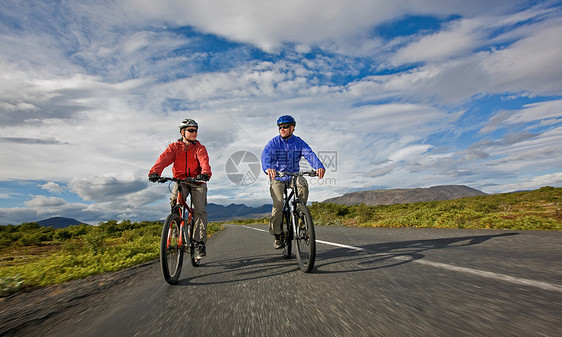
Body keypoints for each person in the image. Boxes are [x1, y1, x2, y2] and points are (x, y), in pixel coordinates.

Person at [148, 118, 212, 258]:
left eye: (196, 130)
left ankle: (199, 243)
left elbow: (204, 161)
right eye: (191, 130)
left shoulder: (200, 148)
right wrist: (155, 172)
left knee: (200, 210)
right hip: (181, 180)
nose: (194, 133)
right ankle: (176, 234)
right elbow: (163, 159)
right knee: (175, 204)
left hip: (197, 181)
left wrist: (205, 174)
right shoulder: (174, 147)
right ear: (183, 132)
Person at [261, 115, 325, 249]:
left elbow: (309, 154)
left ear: (292, 128)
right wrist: (268, 167)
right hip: (278, 177)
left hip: (293, 176)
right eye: (280, 127)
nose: (282, 129)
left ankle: (300, 215)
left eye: (285, 127)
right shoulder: (274, 143)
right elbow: (266, 155)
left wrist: (318, 166)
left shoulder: (298, 142)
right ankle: (277, 235)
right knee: (278, 204)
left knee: (302, 183)